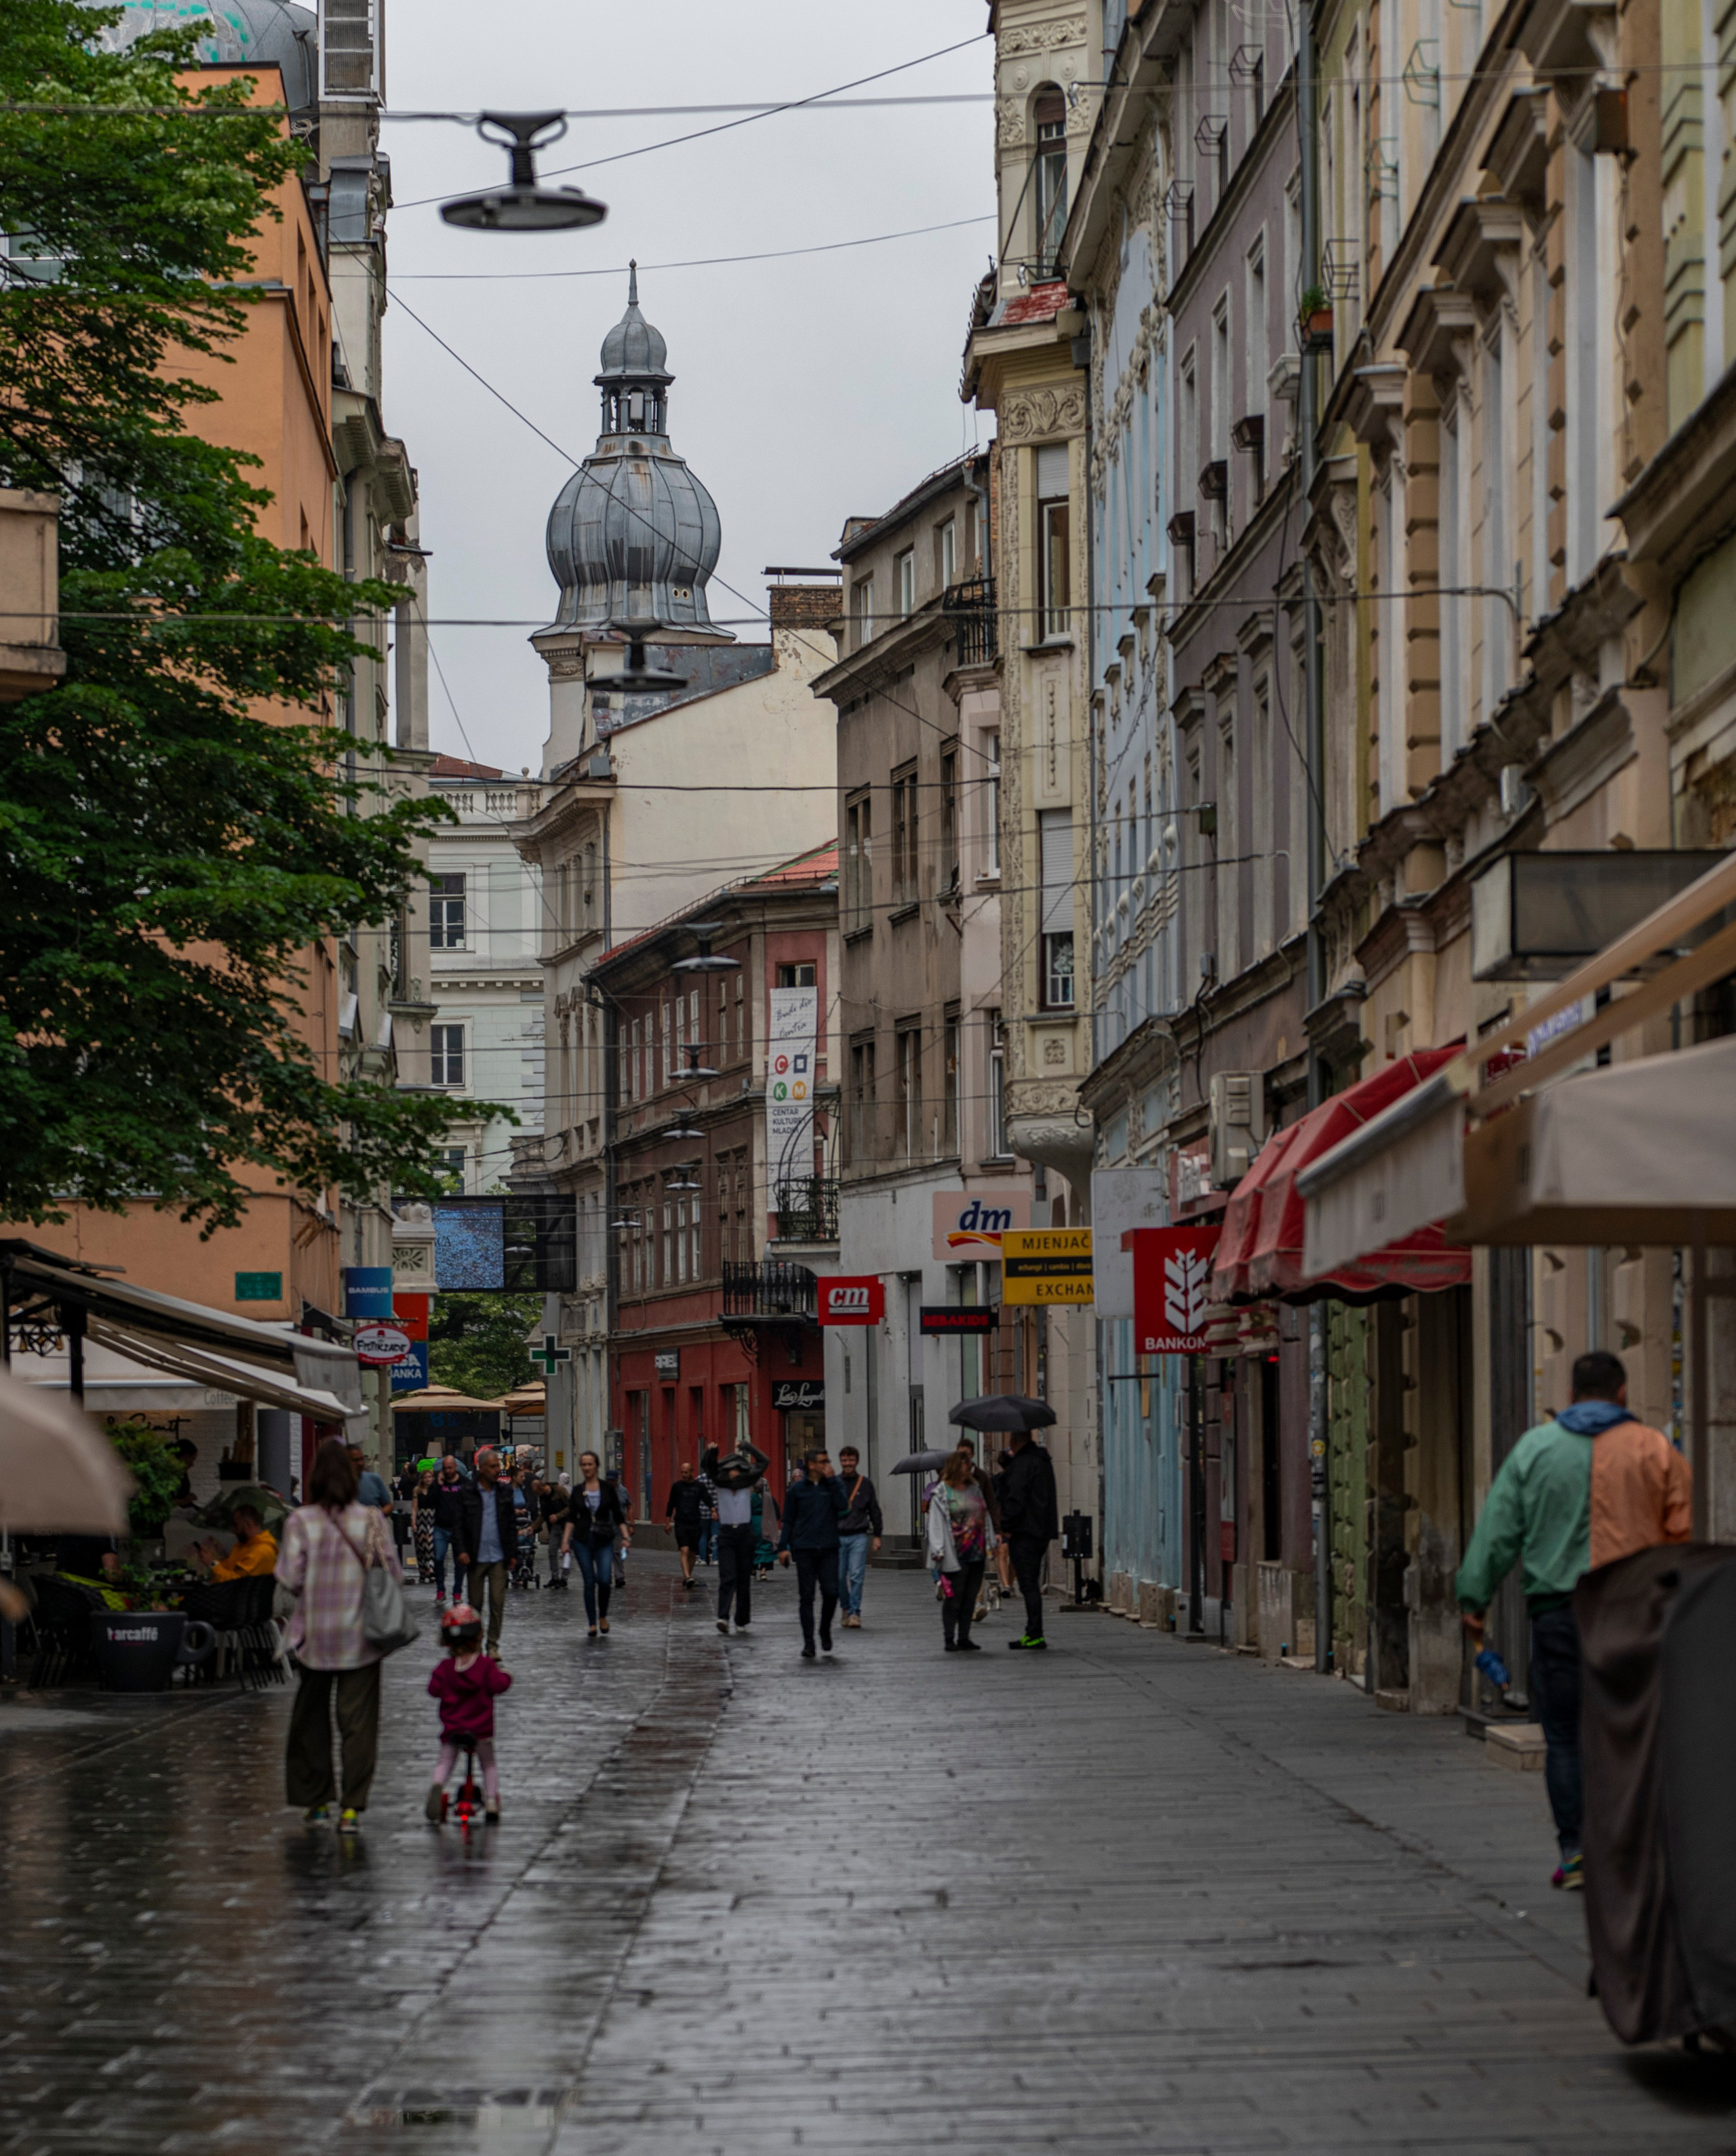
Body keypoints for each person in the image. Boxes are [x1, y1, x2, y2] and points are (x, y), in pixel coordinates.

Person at [1457, 1348, 1691, 1892]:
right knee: (1632, 1730)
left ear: (1569, 1397)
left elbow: (1497, 1534)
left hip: (1558, 1614)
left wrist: (1474, 1600)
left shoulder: (1535, 1450)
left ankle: (1577, 1851)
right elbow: (1683, 1536)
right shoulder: (1656, 1450)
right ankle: (1632, 1845)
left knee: (1563, 1735)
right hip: (1634, 1616)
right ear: (1623, 1394)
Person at [276, 1436, 404, 1831]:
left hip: (314, 1637)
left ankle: (316, 1801)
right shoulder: (370, 1519)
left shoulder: (301, 1521)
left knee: (311, 1721)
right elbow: (394, 1574)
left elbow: (289, 1577)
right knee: (358, 1724)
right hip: (361, 1638)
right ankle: (352, 1806)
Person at [425, 1600, 511, 1824]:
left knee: (445, 1760)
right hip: (481, 1730)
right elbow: (499, 1685)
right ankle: (491, 1800)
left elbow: (433, 1690)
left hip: (453, 1728)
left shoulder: (445, 1669)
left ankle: (437, 1785)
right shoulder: (485, 1666)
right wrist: (507, 1674)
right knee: (489, 1764)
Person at [777, 1447, 848, 1660]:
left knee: (832, 1592)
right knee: (806, 1597)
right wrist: (783, 1548)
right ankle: (809, 1642)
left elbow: (844, 1510)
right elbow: (788, 1520)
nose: (827, 1464)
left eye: (827, 1460)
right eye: (822, 1461)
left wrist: (834, 1481)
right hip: (804, 1549)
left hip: (829, 1547)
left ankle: (824, 1629)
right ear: (810, 1465)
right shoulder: (797, 1491)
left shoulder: (832, 1485)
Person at [700, 1434, 770, 1634]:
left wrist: (747, 1447)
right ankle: (723, 1616)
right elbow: (709, 1467)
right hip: (727, 1534)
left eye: (737, 1469)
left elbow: (764, 1461)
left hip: (745, 1533)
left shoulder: (747, 1482)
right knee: (727, 1576)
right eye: (729, 1470)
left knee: (743, 1580)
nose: (733, 1474)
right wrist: (712, 1452)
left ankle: (742, 1618)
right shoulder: (719, 1482)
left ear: (742, 1471)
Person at [999, 1424, 1060, 1650]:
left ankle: (1035, 1634)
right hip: (1041, 1531)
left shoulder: (1023, 1464)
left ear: (1016, 1442)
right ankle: (1033, 1632)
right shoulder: (1041, 1460)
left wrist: (1006, 1526)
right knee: (1030, 1581)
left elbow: (1016, 1497)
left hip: (1025, 1531)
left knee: (1028, 1584)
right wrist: (1008, 1466)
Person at [927, 1448, 993, 1651]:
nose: (970, 1468)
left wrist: (990, 1539)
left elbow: (985, 1514)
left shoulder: (974, 1489)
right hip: (955, 1553)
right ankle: (949, 1638)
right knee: (954, 1597)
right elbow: (936, 1523)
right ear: (957, 1466)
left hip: (976, 1551)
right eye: (966, 1464)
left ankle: (964, 1636)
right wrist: (938, 1549)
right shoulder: (942, 1493)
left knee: (970, 1597)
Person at [455, 1448, 518, 1657]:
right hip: (476, 1556)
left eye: (498, 1466)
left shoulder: (504, 1492)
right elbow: (460, 1524)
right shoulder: (468, 1491)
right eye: (493, 1466)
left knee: (497, 1603)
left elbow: (510, 1523)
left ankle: (492, 1645)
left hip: (499, 1556)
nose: (497, 1470)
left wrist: (513, 1553)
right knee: (475, 1605)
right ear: (481, 1469)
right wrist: (462, 1550)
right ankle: (476, 1644)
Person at [561, 1451, 632, 1636]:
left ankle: (603, 1616)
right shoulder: (578, 1490)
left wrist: (625, 1537)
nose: (587, 1468)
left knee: (604, 1580)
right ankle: (592, 1623)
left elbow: (619, 1516)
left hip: (604, 1539)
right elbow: (571, 1518)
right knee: (589, 1582)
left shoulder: (607, 1489)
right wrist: (565, 1542)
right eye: (584, 1465)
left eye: (590, 1464)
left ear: (596, 1466)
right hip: (582, 1540)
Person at [835, 1446, 882, 1630]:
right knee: (838, 1577)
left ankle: (855, 1612)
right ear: (841, 1461)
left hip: (858, 1536)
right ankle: (845, 1607)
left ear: (857, 1461)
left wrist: (877, 1535)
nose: (848, 1464)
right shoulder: (835, 1483)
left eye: (851, 1460)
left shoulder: (865, 1484)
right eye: (845, 1460)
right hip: (837, 1536)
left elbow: (875, 1511)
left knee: (856, 1575)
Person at [195, 1503, 278, 1581]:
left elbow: (235, 1582)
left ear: (249, 1524)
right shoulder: (243, 1545)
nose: (234, 1531)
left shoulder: (261, 1552)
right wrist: (210, 1559)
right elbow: (227, 1567)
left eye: (236, 1525)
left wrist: (212, 1563)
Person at [430, 1454, 468, 1605]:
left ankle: (457, 1591)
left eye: (450, 1468)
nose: (447, 1471)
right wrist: (437, 1486)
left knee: (460, 1562)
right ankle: (440, 1589)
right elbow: (430, 1501)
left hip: (459, 1528)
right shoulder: (439, 1484)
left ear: (456, 1468)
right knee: (438, 1558)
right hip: (441, 1527)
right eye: (445, 1468)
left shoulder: (465, 1483)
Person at [665, 1462, 708, 1589]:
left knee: (693, 1553)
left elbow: (707, 1499)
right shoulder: (677, 1487)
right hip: (681, 1523)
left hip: (695, 1523)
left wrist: (713, 1510)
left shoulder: (699, 1487)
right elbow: (671, 1504)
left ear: (692, 1472)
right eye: (682, 1472)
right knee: (684, 1550)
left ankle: (687, 1576)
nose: (683, 1475)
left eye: (686, 1472)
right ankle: (688, 1577)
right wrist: (667, 1522)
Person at [540, 1476, 570, 1589]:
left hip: (566, 1525)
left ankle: (564, 1578)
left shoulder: (560, 1491)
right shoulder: (543, 1497)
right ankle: (555, 1577)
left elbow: (570, 1507)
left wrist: (558, 1516)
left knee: (566, 1552)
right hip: (555, 1527)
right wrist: (533, 1527)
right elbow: (543, 1515)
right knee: (552, 1551)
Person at [349, 1443, 393, 1514]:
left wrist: (375, 1517)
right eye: (356, 1460)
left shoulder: (374, 1479)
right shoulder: (338, 1483)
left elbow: (388, 1506)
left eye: (362, 1459)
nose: (361, 1463)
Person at [410, 1470, 437, 1584]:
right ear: (422, 1479)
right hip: (421, 1519)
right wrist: (413, 1522)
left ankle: (431, 1570)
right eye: (426, 1477)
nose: (428, 1479)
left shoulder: (435, 1490)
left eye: (430, 1477)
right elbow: (415, 1508)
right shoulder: (417, 1491)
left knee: (430, 1545)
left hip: (432, 1519)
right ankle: (423, 1571)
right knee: (421, 1546)